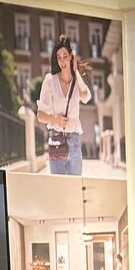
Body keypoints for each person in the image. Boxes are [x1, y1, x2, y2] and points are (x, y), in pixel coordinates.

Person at [35, 38, 92, 176]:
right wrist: (56, 119)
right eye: (59, 57)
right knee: (58, 186)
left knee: (74, 185)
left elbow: (85, 97)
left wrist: (75, 71)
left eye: (65, 56)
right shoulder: (50, 80)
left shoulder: (76, 82)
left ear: (71, 57)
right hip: (57, 141)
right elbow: (40, 115)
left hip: (74, 142)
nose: (62, 61)